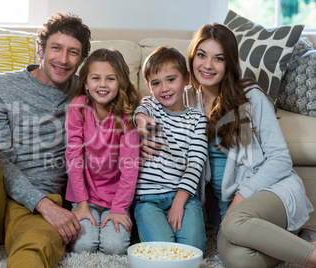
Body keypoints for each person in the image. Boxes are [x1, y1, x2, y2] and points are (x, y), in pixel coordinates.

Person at [136, 23, 316, 267]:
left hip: (267, 191)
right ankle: (294, 240)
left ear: (228, 63)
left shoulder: (250, 95)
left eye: (218, 58)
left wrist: (240, 199)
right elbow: (148, 101)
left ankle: (310, 256)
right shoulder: (185, 96)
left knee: (233, 223)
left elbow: (280, 159)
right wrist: (139, 121)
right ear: (192, 59)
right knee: (236, 259)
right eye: (201, 55)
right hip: (226, 207)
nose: (208, 65)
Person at [0, 13, 91, 268]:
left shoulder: (84, 92)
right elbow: (0, 157)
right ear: (40, 48)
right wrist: (41, 203)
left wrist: (141, 121)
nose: (62, 59)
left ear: (82, 60)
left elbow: (123, 102)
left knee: (32, 255)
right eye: (56, 48)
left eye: (73, 53)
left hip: (41, 208)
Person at [65, 48, 141, 255]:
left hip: (116, 198)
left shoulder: (127, 112)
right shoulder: (78, 107)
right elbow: (73, 157)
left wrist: (119, 207)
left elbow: (130, 165)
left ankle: (119, 217)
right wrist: (81, 204)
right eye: (95, 78)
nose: (102, 85)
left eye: (111, 79)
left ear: (121, 82)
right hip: (84, 197)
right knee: (83, 246)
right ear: (86, 83)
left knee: (114, 247)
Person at [133, 46, 208, 253]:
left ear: (185, 79)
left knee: (192, 249)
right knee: (163, 251)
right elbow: (141, 110)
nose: (164, 88)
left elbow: (195, 164)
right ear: (149, 86)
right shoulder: (151, 106)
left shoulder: (197, 120)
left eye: (170, 79)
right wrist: (139, 119)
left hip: (183, 196)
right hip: (147, 200)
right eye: (156, 83)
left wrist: (178, 203)